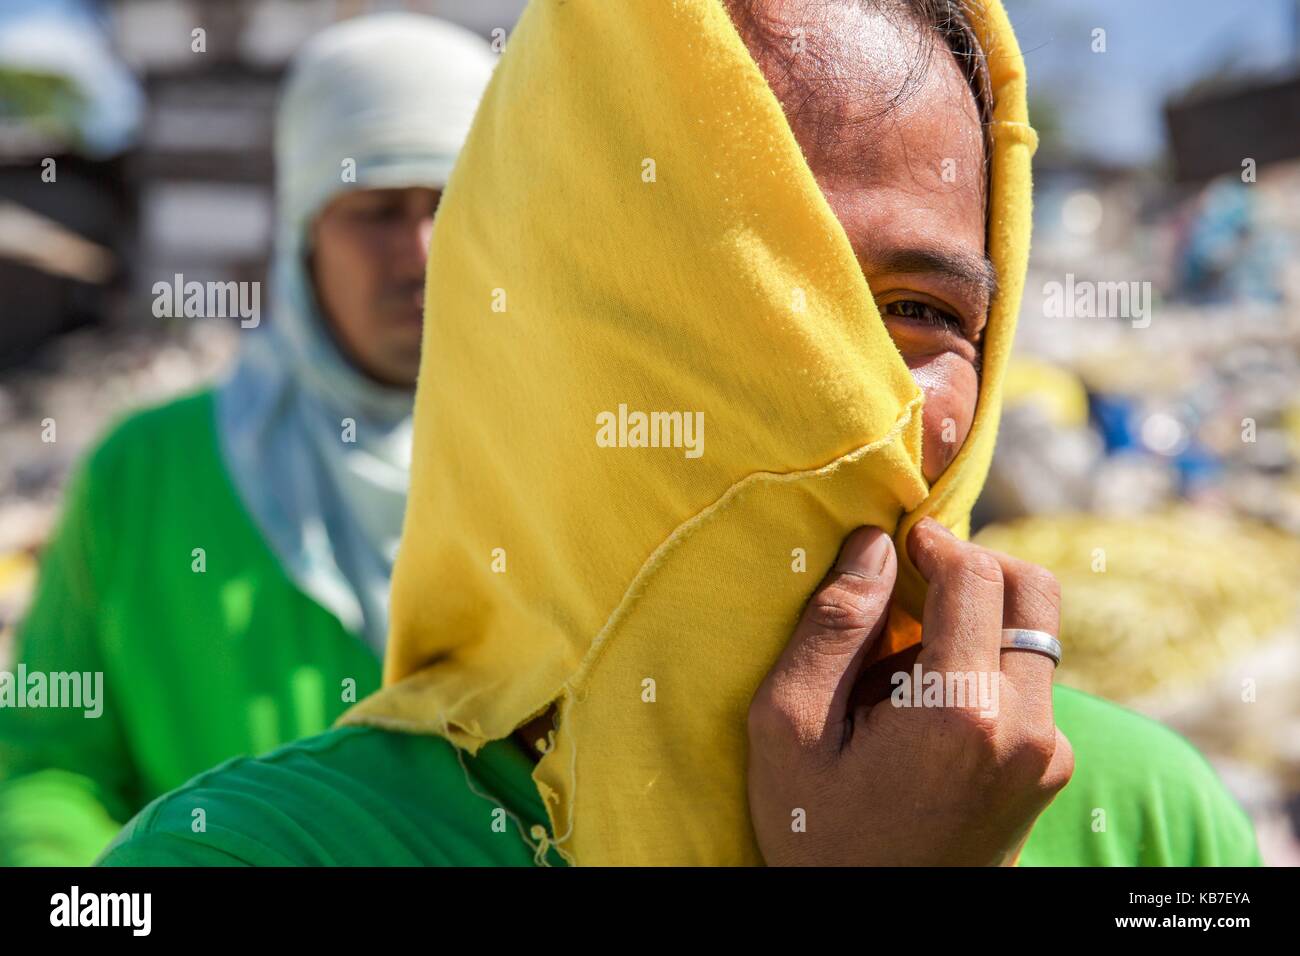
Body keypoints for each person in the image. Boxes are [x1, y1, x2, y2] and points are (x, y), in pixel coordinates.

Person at [99, 0, 1259, 867]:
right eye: (733, 298)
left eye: (920, 312)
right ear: (532, 329)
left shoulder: (1136, 819)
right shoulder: (243, 854)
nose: (838, 392)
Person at [0, 13, 496, 865]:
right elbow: (51, 760)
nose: (420, 254)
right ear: (303, 230)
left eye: (450, 205)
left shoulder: (559, 477)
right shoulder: (147, 473)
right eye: (375, 212)